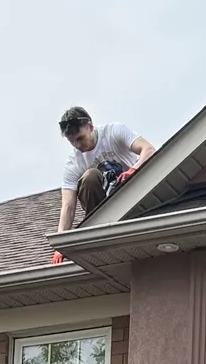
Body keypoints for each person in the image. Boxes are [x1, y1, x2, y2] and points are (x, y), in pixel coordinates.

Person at [52, 107, 156, 260]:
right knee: (90, 176)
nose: (77, 145)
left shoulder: (114, 132)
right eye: (72, 142)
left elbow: (149, 150)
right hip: (105, 209)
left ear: (90, 127)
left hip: (133, 198)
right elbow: (68, 206)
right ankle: (98, 228)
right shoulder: (73, 163)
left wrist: (133, 170)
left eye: (80, 138)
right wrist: (60, 246)